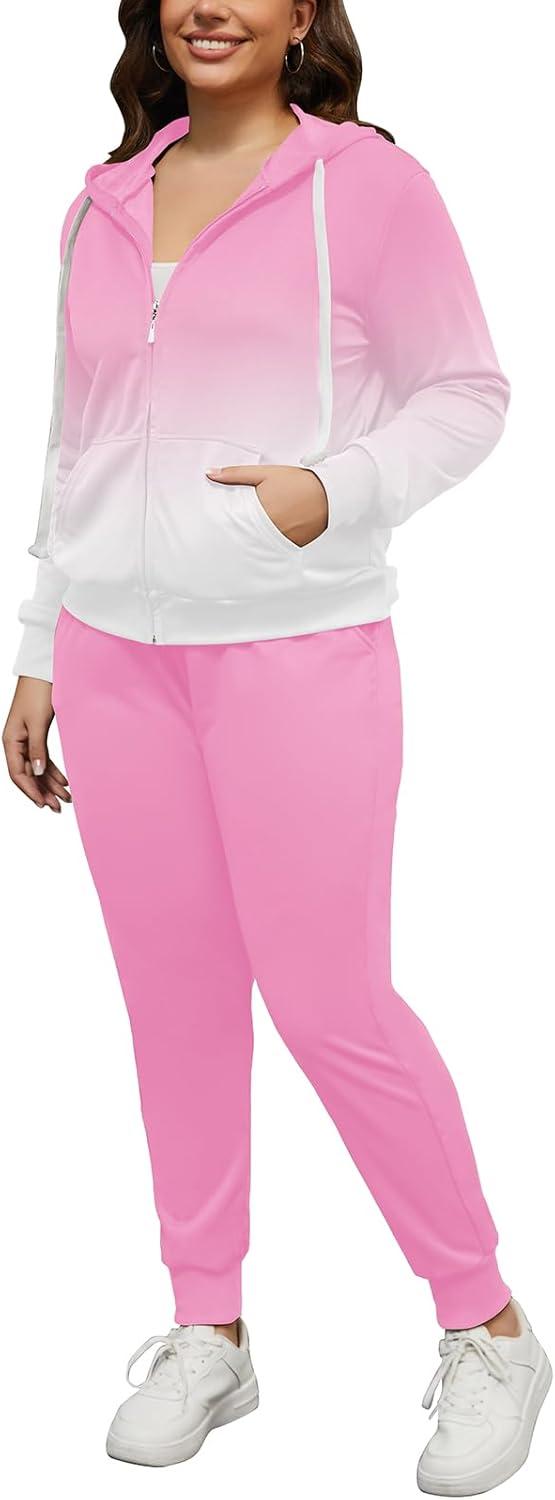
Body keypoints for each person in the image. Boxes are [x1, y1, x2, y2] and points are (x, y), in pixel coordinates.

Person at [3, 1, 551, 1489]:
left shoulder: (369, 185)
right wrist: (42, 643)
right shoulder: (103, 200)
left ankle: (490, 1326)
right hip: (117, 658)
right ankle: (210, 1331)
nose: (212, 6)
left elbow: (471, 392)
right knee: (173, 1004)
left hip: (299, 653)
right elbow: (75, 439)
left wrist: (337, 489)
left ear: (303, 11)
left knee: (331, 1003)